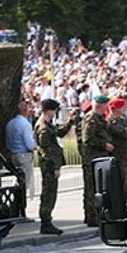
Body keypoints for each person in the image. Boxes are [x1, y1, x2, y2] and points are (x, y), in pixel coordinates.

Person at [34, 98, 74, 234]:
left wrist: (70, 121)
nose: (55, 112)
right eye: (54, 110)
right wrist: (56, 167)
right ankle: (45, 222)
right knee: (48, 193)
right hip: (49, 166)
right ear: (48, 110)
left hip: (50, 165)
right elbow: (47, 151)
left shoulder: (47, 124)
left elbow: (60, 133)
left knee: (51, 193)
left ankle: (47, 221)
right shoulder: (43, 128)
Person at [79, 94, 114, 226]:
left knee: (97, 188)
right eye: (106, 104)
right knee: (91, 189)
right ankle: (92, 216)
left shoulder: (99, 118)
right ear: (101, 105)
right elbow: (87, 138)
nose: (107, 107)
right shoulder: (91, 118)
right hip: (92, 159)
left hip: (99, 158)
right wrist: (104, 145)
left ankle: (96, 215)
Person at [5, 100, 38, 205]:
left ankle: (15, 202)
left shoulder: (10, 123)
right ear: (25, 110)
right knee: (24, 183)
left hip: (13, 154)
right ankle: (19, 206)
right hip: (24, 155)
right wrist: (37, 146)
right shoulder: (25, 124)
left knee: (18, 180)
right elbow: (29, 145)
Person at [107, 96, 127, 203]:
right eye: (122, 107)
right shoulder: (111, 121)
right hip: (119, 155)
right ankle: (119, 206)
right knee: (121, 182)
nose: (124, 108)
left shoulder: (122, 120)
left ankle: (124, 205)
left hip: (126, 155)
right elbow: (120, 131)